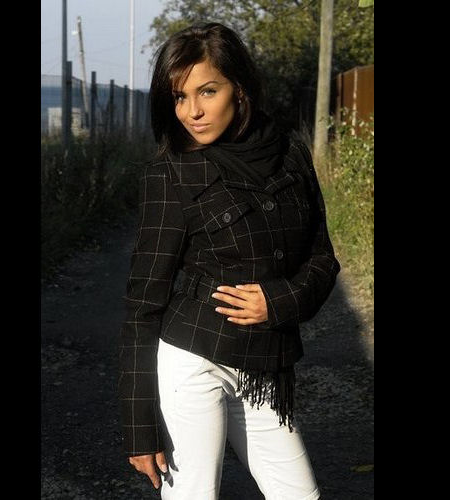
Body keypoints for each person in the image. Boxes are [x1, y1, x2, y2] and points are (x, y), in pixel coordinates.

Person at [118, 22, 340, 500]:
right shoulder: (171, 172)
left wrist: (279, 302)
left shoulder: (290, 153)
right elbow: (143, 304)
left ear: (239, 88)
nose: (192, 112)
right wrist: (139, 426)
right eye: (179, 97)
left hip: (263, 366)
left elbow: (322, 258)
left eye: (207, 91)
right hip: (192, 360)